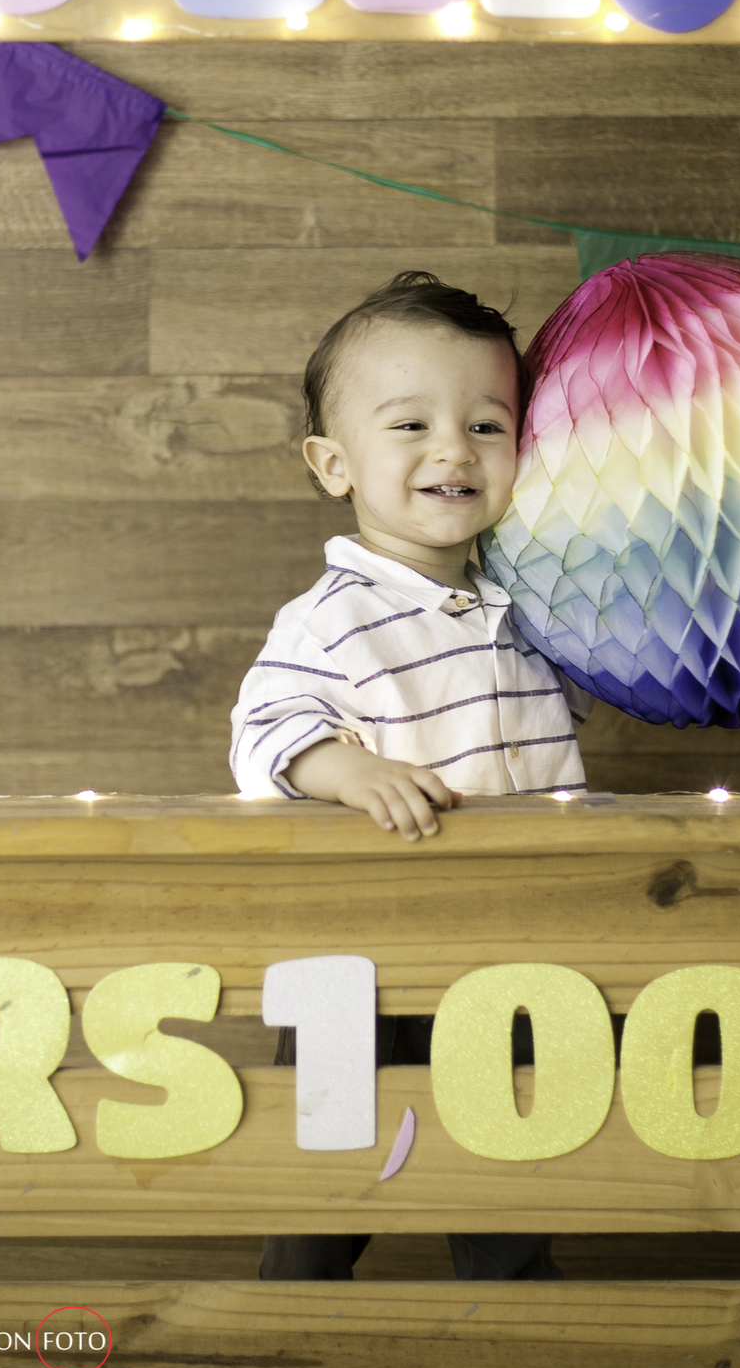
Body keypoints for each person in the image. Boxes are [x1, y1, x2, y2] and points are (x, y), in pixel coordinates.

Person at [229, 270, 593, 1284]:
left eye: (487, 425)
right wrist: (346, 768)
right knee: (325, 1180)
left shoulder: (528, 609)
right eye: (411, 425)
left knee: (508, 1171)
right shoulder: (330, 619)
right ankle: (293, 1320)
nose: (454, 450)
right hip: (362, 956)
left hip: (508, 950)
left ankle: (516, 1319)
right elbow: (264, 731)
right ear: (334, 463)